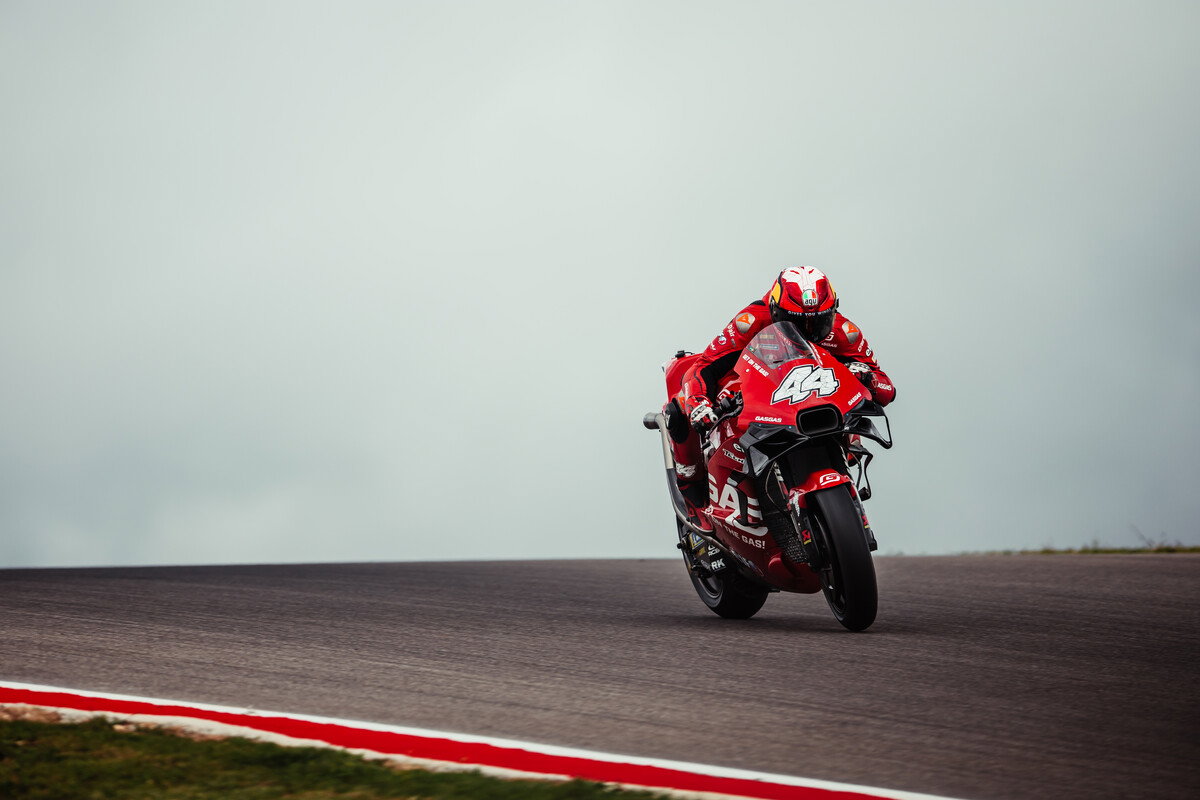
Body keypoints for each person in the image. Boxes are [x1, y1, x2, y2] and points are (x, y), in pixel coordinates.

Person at [670, 266, 896, 513]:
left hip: (819, 403)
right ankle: (691, 494)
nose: (808, 331)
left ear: (832, 311)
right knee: (678, 408)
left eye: (818, 322)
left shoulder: (844, 332)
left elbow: (885, 388)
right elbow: (703, 367)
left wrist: (868, 378)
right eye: (797, 322)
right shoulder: (751, 321)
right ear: (776, 310)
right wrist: (698, 402)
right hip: (761, 395)